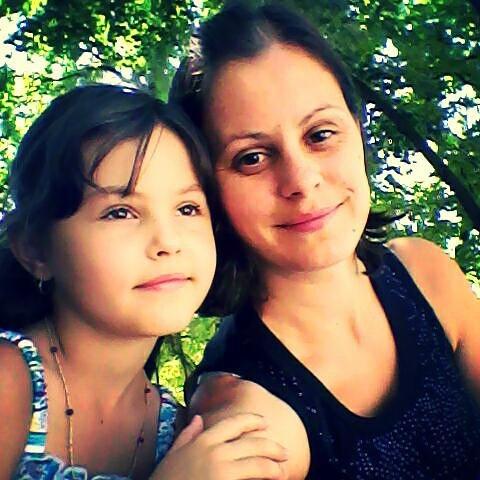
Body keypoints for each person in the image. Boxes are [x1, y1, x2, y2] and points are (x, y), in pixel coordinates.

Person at [169, 1, 480, 479]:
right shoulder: (243, 414)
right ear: (207, 188)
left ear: (357, 131)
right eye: (252, 157)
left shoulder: (426, 274)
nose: (301, 180)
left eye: (320, 134)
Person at [0, 84, 288, 479]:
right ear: (35, 249)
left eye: (188, 208)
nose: (168, 242)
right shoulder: (10, 383)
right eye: (120, 212)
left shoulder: (181, 433)